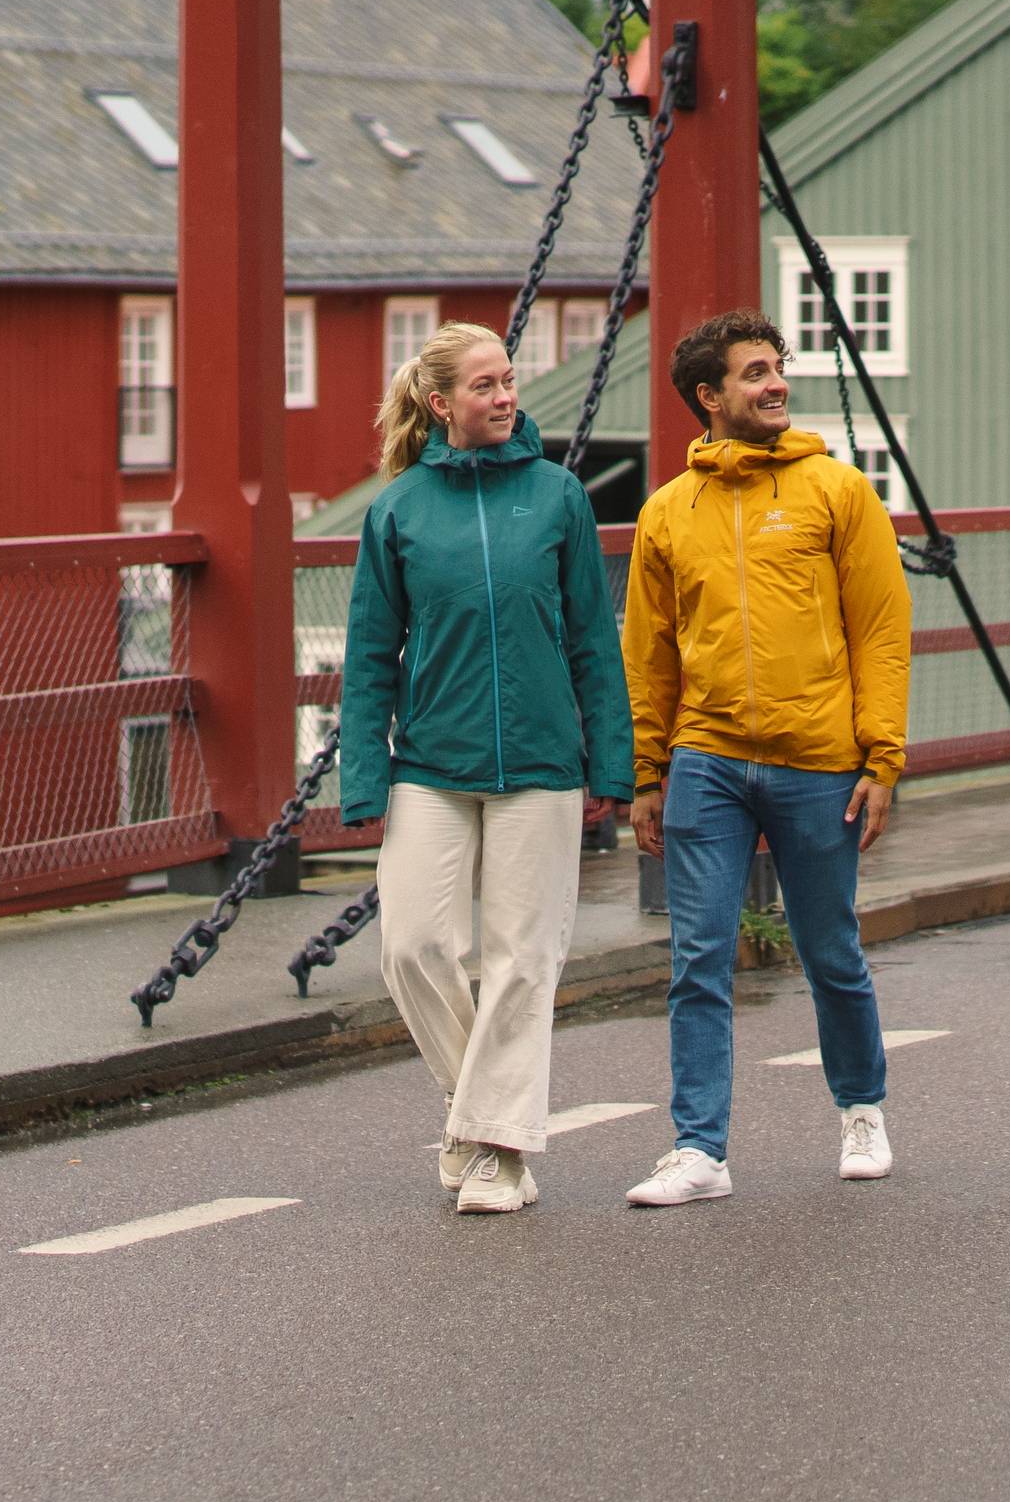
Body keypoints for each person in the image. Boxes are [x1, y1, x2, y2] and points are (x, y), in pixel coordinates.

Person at [339, 322, 636, 1216]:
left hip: (542, 765)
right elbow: (368, 658)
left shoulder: (557, 498)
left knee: (521, 959)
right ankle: (481, 1117)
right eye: (484, 386)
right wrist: (364, 778)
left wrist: (611, 765)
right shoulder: (396, 511)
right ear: (440, 405)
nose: (506, 397)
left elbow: (593, 639)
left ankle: (498, 1152)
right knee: (413, 945)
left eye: (510, 381)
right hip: (430, 762)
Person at [618, 312, 911, 1206]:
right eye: (755, 373)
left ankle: (862, 1109)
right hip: (706, 758)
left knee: (830, 950)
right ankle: (699, 1149)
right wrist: (646, 773)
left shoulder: (837, 491)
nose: (776, 383)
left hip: (818, 759)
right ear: (709, 398)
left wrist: (882, 758)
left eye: (778, 368)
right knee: (697, 955)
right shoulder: (668, 511)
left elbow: (881, 629)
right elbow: (649, 650)